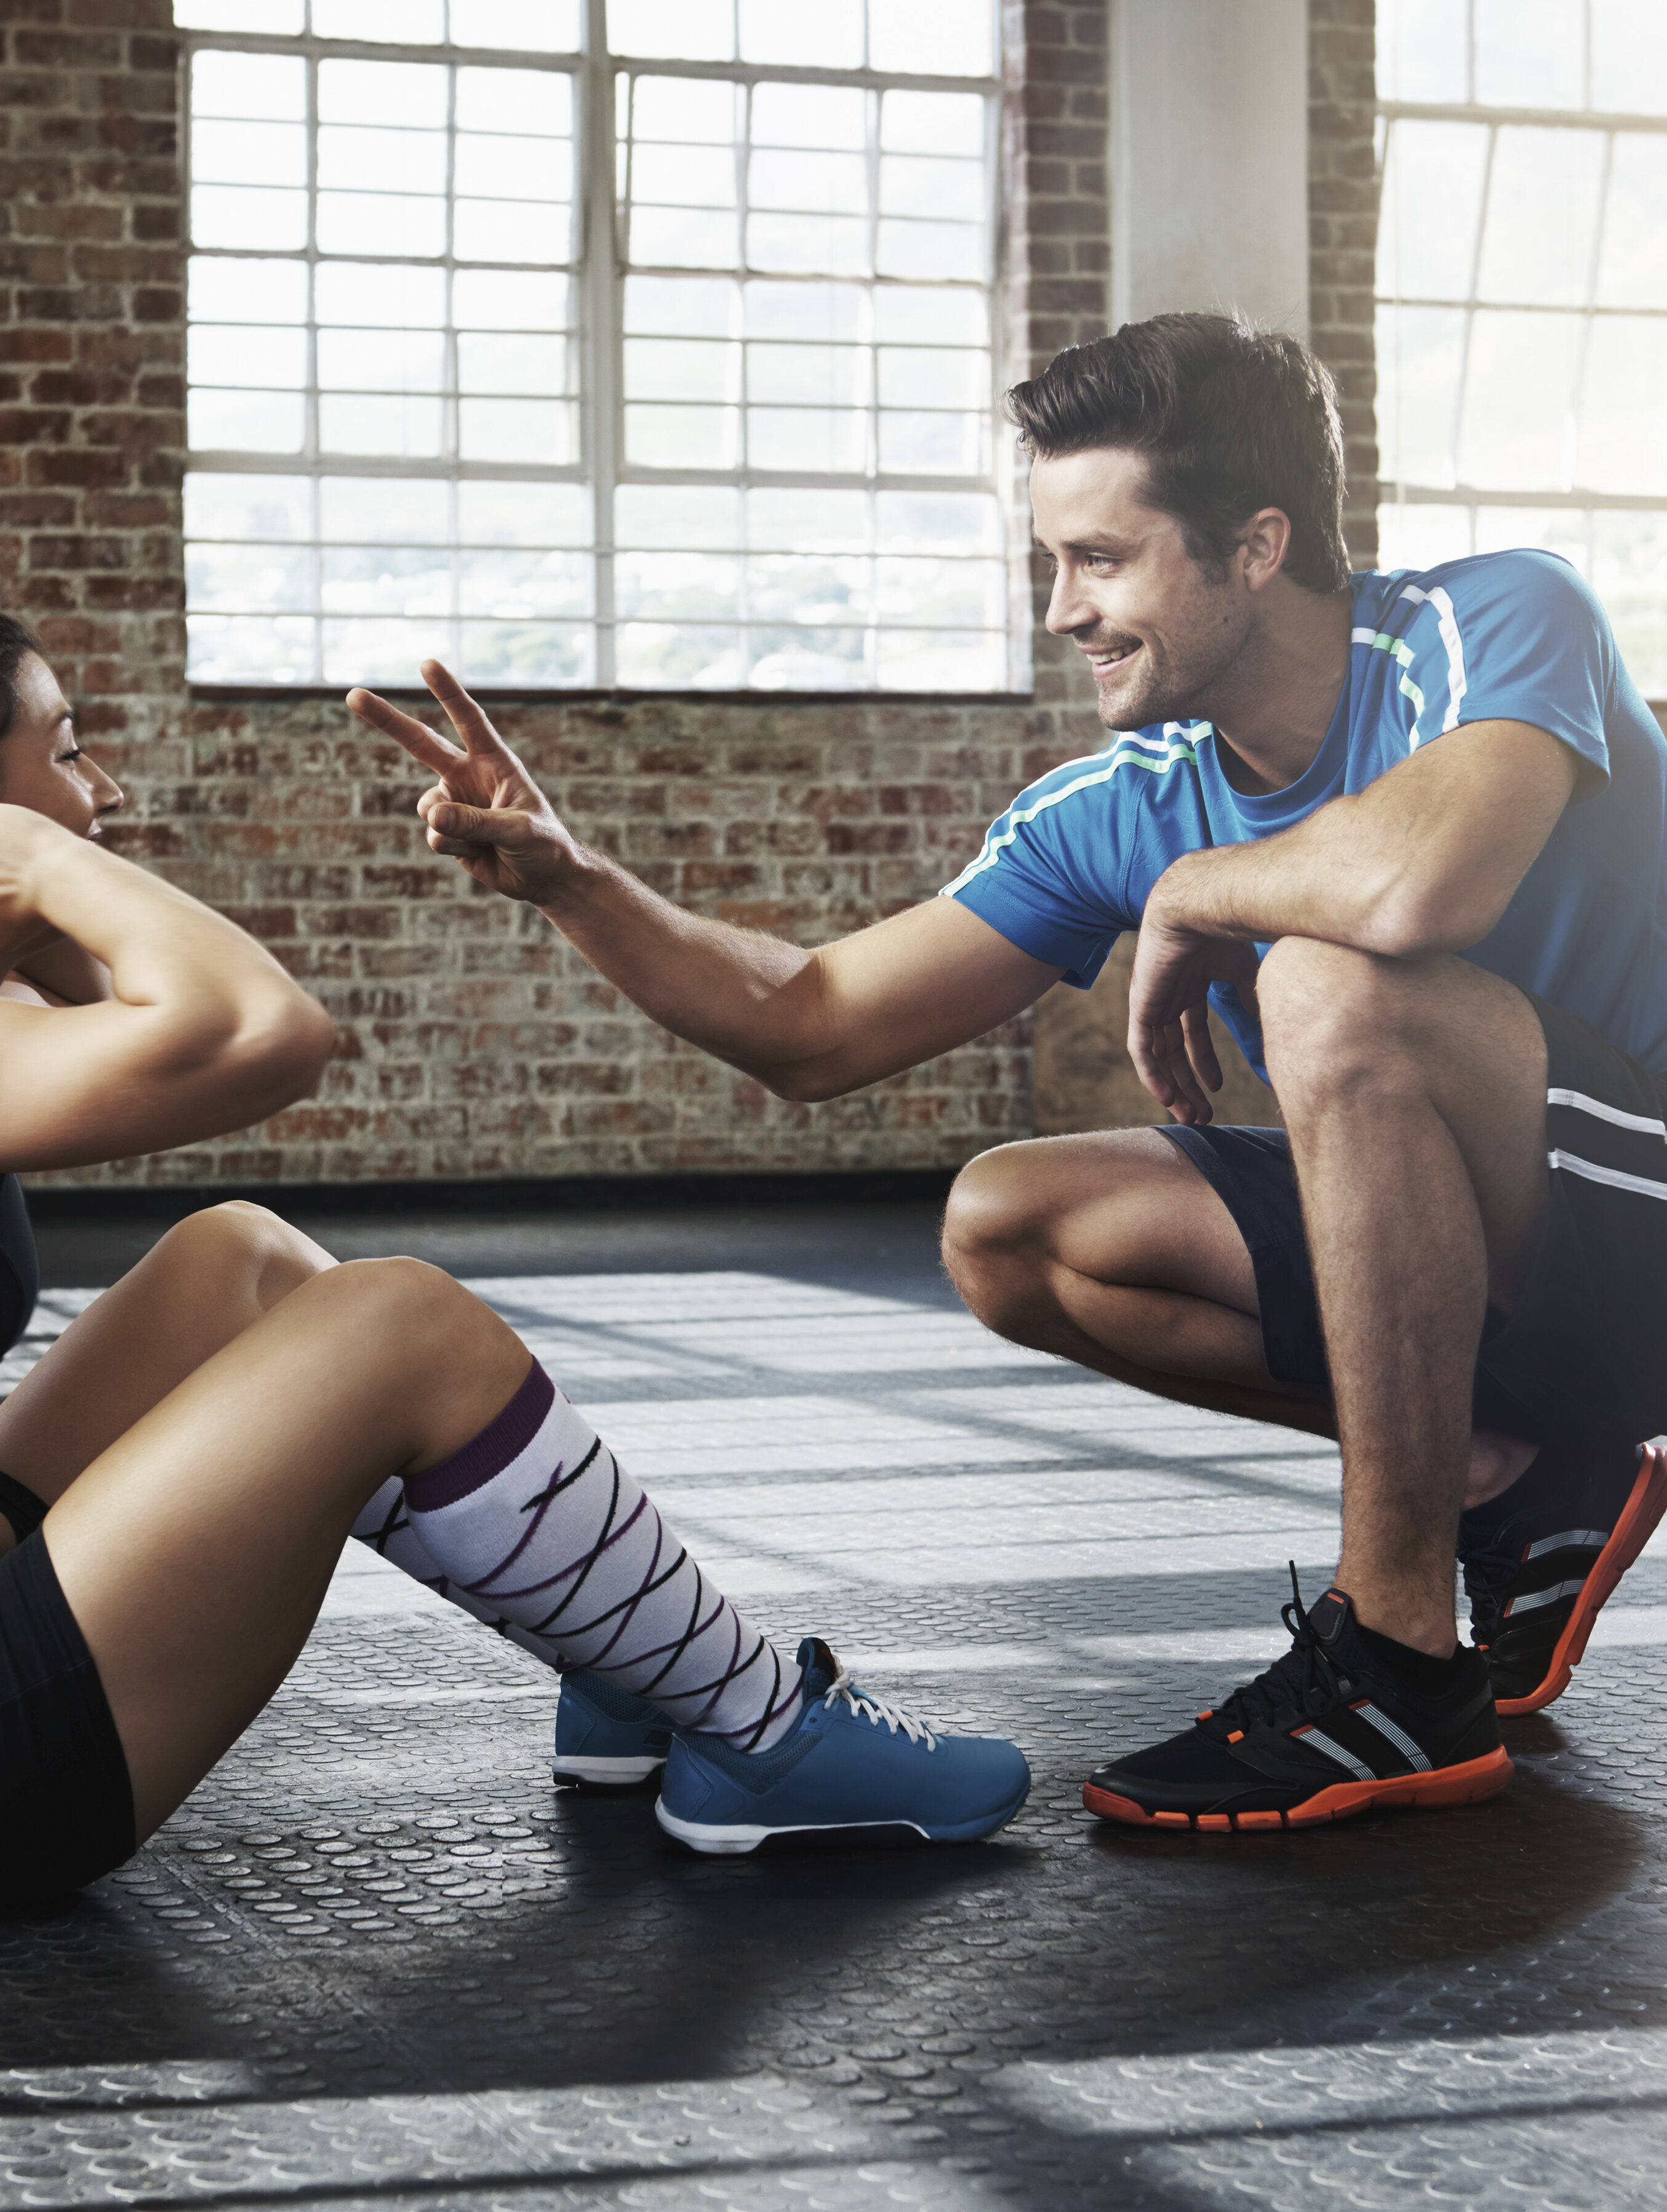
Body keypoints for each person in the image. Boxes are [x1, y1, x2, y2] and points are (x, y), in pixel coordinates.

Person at [349, 311, 1667, 1836]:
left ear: (1255, 545)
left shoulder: (1494, 622)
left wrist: (1195, 895)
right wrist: (578, 882)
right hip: (1513, 1293)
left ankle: (1393, 1662)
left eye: (1100, 560)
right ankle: (1515, 1476)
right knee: (1010, 1222)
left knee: (1330, 984)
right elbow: (817, 1020)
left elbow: (1419, 886)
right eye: (1050, 564)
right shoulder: (1122, 800)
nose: (1061, 612)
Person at [0, 598, 1028, 1914]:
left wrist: (30, 863)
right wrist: (27, 858)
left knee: (239, 1258)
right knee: (397, 1323)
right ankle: (766, 1739)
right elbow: (273, 1038)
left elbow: (138, 1002)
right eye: (67, 751)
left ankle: (623, 1658)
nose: (104, 790)